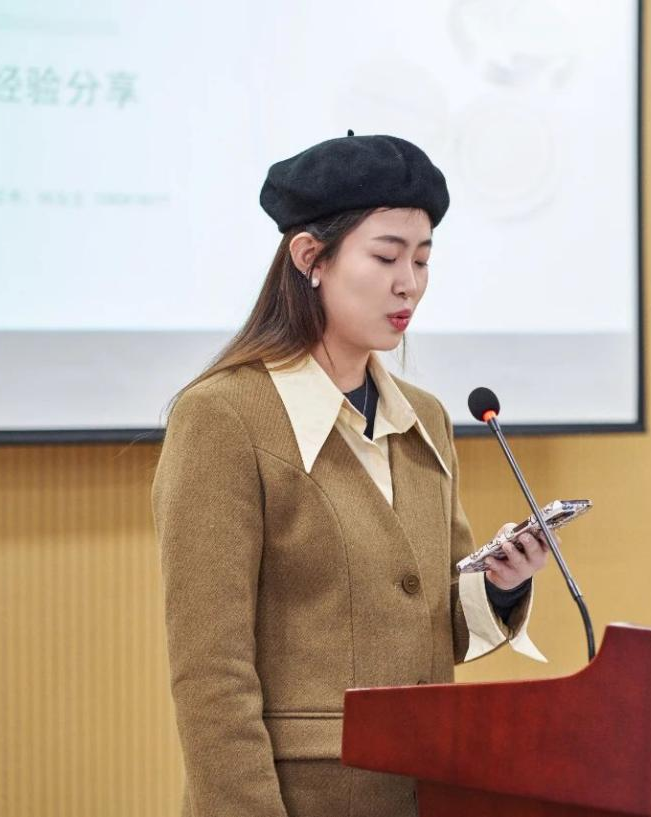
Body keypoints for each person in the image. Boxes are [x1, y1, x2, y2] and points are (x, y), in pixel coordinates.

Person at [151, 132, 551, 817]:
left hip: (429, 786)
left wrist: (501, 585)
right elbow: (210, 674)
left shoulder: (424, 417)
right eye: (386, 256)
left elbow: (440, 631)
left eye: (422, 259)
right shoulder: (222, 417)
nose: (409, 283)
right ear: (311, 257)